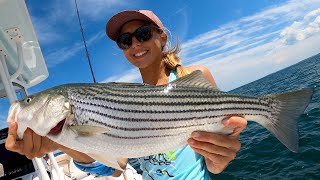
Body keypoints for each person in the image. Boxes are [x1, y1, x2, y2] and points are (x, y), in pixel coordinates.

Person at [5, 10, 247, 179]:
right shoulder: (124, 97)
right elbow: (113, 168)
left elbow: (216, 163)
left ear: (161, 36)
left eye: (143, 34)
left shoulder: (193, 76)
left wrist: (220, 159)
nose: (135, 44)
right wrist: (56, 142)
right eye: (124, 40)